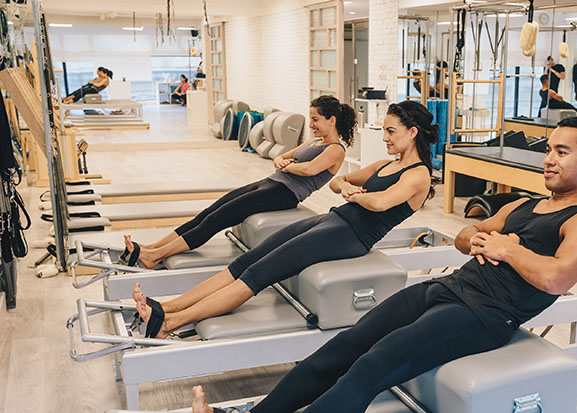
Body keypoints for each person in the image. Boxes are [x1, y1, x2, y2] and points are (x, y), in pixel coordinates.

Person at [189, 116, 577, 413]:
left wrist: (509, 249)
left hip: (483, 315)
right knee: (347, 345)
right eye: (549, 150)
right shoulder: (526, 204)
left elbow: (557, 279)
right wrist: (484, 239)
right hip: (448, 288)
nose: (549, 159)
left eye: (561, 151)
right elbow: (466, 235)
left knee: (375, 364)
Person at [133, 100, 438, 339]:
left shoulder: (418, 175)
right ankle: (167, 307)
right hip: (333, 220)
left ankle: (170, 323)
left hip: (350, 237)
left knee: (259, 274)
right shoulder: (385, 164)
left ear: (412, 133)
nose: (384, 137)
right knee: (246, 262)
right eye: (384, 130)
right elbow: (338, 181)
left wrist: (354, 193)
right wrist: (348, 188)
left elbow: (379, 202)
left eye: (390, 131)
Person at [122, 95, 356, 269]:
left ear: (332, 120)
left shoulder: (336, 149)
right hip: (272, 182)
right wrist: (282, 163)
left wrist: (288, 165)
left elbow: (308, 169)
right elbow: (280, 156)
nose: (312, 124)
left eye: (316, 120)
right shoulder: (314, 143)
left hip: (285, 193)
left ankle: (153, 257)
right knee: (209, 211)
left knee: (216, 220)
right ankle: (152, 248)